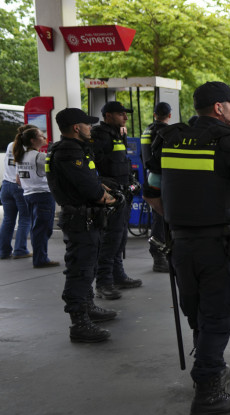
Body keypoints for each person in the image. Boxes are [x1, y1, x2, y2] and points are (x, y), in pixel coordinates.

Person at [144, 81, 230, 415]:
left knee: (197, 309)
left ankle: (213, 367)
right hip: (218, 243)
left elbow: (152, 192)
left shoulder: (169, 138)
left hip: (180, 243)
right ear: (218, 108)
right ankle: (209, 392)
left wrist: (178, 221)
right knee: (220, 312)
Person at [45, 108, 119, 343]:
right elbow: (89, 189)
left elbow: (88, 180)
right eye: (87, 124)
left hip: (84, 219)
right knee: (80, 270)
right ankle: (79, 322)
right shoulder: (69, 151)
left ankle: (87, 307)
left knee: (88, 266)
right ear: (76, 128)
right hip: (80, 220)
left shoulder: (69, 149)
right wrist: (109, 197)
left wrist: (102, 186)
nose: (90, 128)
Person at [91, 101, 142, 300]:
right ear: (108, 116)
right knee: (110, 239)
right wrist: (106, 186)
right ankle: (103, 283)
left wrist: (131, 181)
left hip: (124, 193)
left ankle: (118, 276)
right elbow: (93, 166)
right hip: (111, 196)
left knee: (120, 237)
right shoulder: (100, 136)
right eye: (121, 114)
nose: (125, 117)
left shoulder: (117, 134)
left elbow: (123, 162)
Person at [13, 127, 58, 267]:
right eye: (41, 135)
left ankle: (40, 258)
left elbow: (18, 180)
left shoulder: (20, 156)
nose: (44, 137)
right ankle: (40, 260)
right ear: (33, 140)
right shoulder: (39, 156)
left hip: (28, 195)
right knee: (43, 229)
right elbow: (55, 170)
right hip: (43, 195)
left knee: (36, 227)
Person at [141, 102, 172, 273]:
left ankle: (160, 255)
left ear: (154, 114)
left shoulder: (148, 129)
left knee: (158, 217)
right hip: (161, 177)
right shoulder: (166, 132)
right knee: (161, 218)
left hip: (151, 175)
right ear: (170, 115)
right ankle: (159, 258)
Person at [1, 124, 35, 260]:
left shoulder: (11, 145)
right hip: (19, 187)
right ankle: (20, 250)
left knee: (8, 219)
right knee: (25, 218)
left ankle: (3, 251)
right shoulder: (26, 149)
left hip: (6, 186)